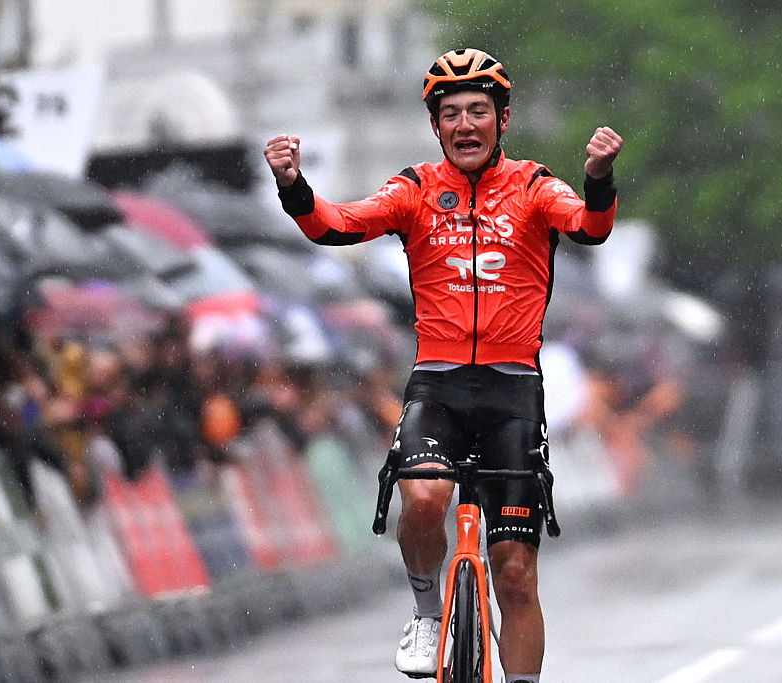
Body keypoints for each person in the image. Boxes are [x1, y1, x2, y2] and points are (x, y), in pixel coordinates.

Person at [265, 48, 621, 682]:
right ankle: (428, 613)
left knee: (515, 573)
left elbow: (591, 227)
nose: (465, 124)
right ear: (436, 127)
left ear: (502, 120)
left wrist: (597, 175)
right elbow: (337, 226)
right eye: (450, 113)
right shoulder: (416, 190)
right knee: (424, 495)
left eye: (478, 111)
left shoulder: (536, 185)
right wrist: (294, 186)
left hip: (514, 393)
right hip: (440, 385)